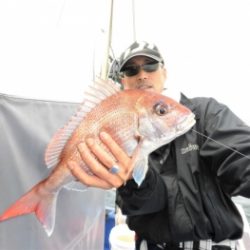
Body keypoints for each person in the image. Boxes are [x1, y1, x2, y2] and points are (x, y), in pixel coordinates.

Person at [67, 41, 250, 250]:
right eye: (131, 69)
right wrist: (131, 180)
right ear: (123, 80)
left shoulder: (206, 112)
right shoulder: (121, 131)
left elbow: (240, 158)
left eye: (150, 65)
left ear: (164, 71)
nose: (142, 74)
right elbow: (144, 203)